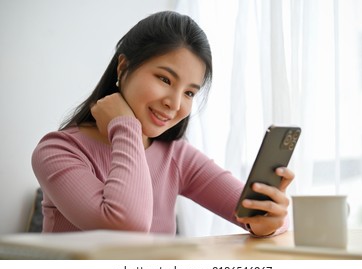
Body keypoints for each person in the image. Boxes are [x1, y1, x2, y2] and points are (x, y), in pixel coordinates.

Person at [31, 11, 294, 237]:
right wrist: (124, 125)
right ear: (123, 67)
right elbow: (125, 229)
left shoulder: (175, 155)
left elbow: (256, 215)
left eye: (190, 93)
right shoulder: (57, 150)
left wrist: (268, 221)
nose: (175, 103)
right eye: (165, 79)